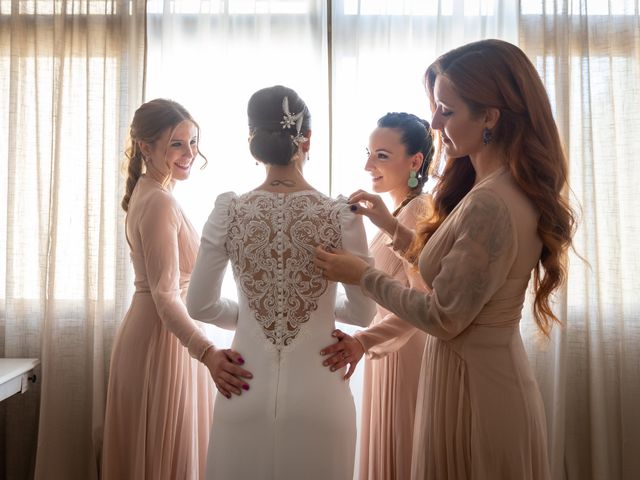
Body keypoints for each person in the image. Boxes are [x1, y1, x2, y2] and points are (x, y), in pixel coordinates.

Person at [315, 39, 575, 479]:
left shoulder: (492, 201)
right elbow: (454, 274)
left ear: (489, 116)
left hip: (475, 389)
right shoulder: (494, 187)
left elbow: (443, 314)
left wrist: (363, 275)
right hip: (475, 374)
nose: (434, 122)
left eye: (446, 111)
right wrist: (394, 229)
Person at [186, 85, 377, 480]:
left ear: (251, 143)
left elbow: (200, 306)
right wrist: (321, 308)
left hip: (243, 386)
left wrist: (252, 313)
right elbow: (363, 311)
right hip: (321, 393)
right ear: (307, 139)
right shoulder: (341, 215)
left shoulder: (230, 212)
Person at [102, 99, 252, 480]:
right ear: (145, 147)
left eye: (193, 142)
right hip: (162, 340)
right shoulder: (158, 202)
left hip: (166, 333)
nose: (190, 153)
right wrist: (207, 352)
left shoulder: (153, 194)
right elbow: (165, 295)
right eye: (177, 144)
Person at [319, 112, 434, 480]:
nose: (368, 164)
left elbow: (422, 300)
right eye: (369, 153)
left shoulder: (420, 210)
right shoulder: (396, 211)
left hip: (406, 350)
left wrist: (364, 341)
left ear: (415, 161)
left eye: (381, 155)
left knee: (403, 455)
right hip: (386, 351)